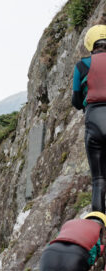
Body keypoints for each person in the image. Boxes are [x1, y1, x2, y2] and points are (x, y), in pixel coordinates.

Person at [72, 24, 106, 213]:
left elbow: (76, 100)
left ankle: (99, 230)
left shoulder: (82, 65)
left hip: (94, 121)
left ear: (90, 43)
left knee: (98, 179)